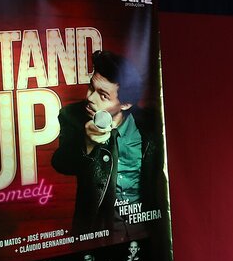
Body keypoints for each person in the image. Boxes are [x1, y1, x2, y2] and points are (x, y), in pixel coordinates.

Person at [51, 50, 164, 239]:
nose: (90, 98)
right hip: (99, 235)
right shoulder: (73, 116)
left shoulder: (150, 124)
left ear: (126, 104)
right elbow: (61, 162)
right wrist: (87, 143)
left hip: (148, 233)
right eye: (91, 87)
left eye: (103, 95)